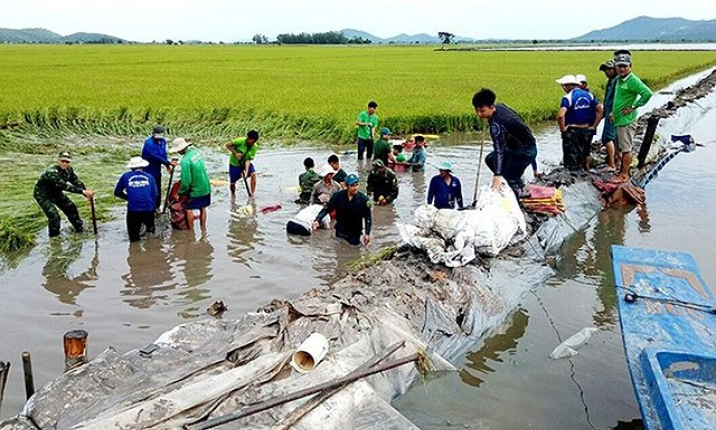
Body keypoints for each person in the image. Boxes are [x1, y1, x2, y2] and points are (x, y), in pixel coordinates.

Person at [472, 88, 537, 197]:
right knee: (490, 159)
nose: (479, 114)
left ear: (491, 107)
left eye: (482, 111)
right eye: (477, 110)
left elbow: (499, 149)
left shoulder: (496, 125)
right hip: (516, 147)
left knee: (509, 176)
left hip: (525, 151)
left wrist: (497, 175)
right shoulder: (500, 107)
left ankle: (518, 198)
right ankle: (520, 184)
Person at [611, 52, 653, 183]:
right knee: (620, 146)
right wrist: (614, 112)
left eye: (624, 66)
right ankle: (620, 170)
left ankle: (624, 175)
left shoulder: (632, 80)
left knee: (626, 148)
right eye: (619, 66)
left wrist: (633, 106)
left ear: (630, 66)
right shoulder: (619, 79)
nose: (622, 69)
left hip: (626, 121)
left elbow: (647, 93)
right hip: (619, 119)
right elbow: (620, 99)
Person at [34, 151, 94, 237]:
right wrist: (82, 192)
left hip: (56, 193)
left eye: (67, 162)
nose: (65, 164)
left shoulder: (69, 170)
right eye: (63, 161)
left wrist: (86, 193)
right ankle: (54, 238)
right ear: (58, 161)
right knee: (54, 216)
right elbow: (64, 186)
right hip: (43, 195)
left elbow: (75, 181)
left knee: (71, 207)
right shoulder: (52, 171)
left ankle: (79, 229)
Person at [556, 74, 603, 171]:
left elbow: (560, 115)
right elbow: (600, 110)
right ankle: (583, 171)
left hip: (572, 130)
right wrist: (594, 125)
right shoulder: (589, 95)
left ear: (569, 86)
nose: (564, 88)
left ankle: (571, 176)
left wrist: (563, 129)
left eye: (564, 86)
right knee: (583, 153)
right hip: (586, 129)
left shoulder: (568, 98)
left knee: (571, 155)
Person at [312, 173, 371, 246]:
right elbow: (327, 209)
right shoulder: (338, 196)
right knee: (339, 250)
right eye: (352, 185)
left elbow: (367, 218)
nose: (355, 188)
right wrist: (317, 220)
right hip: (340, 229)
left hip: (355, 231)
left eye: (356, 185)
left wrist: (367, 234)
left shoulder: (363, 200)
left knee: (353, 250)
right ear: (346, 186)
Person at [171, 138, 212, 231]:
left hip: (196, 189)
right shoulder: (195, 153)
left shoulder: (185, 161)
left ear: (181, 149)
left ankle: (190, 232)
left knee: (188, 209)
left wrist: (180, 193)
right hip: (205, 186)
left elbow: (186, 182)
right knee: (203, 208)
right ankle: (203, 229)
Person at [114, 156, 158, 242]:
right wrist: (153, 208)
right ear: (143, 166)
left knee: (133, 237)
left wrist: (128, 198)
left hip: (133, 210)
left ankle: (134, 250)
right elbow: (155, 195)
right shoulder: (150, 177)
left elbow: (117, 192)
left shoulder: (125, 176)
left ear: (131, 167)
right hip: (149, 208)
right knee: (151, 234)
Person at [141, 125, 176, 210]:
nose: (159, 139)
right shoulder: (149, 144)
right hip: (148, 170)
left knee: (158, 190)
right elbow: (156, 156)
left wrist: (167, 166)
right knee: (151, 190)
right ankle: (149, 208)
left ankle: (157, 207)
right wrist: (168, 163)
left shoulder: (163, 141)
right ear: (153, 134)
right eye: (157, 138)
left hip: (157, 170)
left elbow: (163, 154)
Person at [226, 130, 259, 196]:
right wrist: (235, 153)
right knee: (232, 183)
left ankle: (252, 195)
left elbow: (248, 160)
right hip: (235, 164)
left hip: (245, 162)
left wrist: (246, 172)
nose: (253, 143)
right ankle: (233, 196)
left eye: (254, 142)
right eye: (252, 141)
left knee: (253, 174)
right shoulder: (240, 141)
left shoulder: (254, 146)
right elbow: (228, 145)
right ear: (248, 138)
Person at [599, 59, 618, 171]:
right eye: (605, 70)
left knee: (607, 138)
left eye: (608, 69)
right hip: (609, 111)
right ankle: (617, 159)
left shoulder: (616, 81)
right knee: (614, 137)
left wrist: (612, 111)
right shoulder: (611, 80)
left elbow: (618, 98)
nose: (606, 72)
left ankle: (611, 165)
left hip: (612, 113)